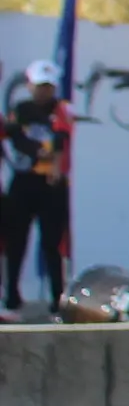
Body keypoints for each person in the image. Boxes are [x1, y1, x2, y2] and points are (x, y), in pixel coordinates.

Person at [0, 63, 70, 315]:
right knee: (16, 240)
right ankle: (12, 297)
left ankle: (57, 299)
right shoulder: (20, 109)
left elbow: (62, 138)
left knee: (52, 243)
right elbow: (15, 137)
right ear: (29, 85)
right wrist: (37, 150)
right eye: (39, 86)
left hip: (51, 184)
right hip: (24, 181)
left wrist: (54, 163)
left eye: (48, 86)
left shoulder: (61, 109)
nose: (44, 92)